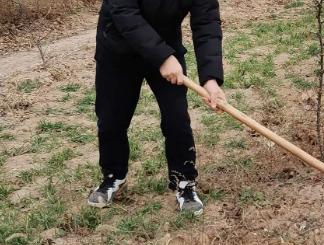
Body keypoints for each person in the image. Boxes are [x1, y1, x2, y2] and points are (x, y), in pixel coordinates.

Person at [87, 0, 226, 215]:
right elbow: (123, 10)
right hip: (118, 46)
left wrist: (211, 79)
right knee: (112, 119)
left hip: (166, 45)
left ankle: (184, 181)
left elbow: (206, 22)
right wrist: (163, 57)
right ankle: (114, 176)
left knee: (176, 117)